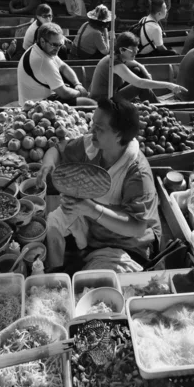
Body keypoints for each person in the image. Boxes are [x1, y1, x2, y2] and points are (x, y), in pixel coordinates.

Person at [37, 97, 162, 271]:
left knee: (97, 281)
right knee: (53, 223)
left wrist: (91, 209)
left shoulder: (137, 174)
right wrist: (48, 163)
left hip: (126, 242)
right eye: (93, 124)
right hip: (92, 223)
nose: (91, 130)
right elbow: (57, 149)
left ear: (119, 135)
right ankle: (56, 271)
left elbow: (137, 228)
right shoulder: (92, 146)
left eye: (99, 128)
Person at [89, 31, 185, 103]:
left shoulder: (118, 56)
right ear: (122, 50)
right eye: (133, 51)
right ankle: (158, 105)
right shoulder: (115, 63)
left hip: (111, 95)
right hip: (103, 102)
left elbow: (136, 63)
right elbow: (139, 82)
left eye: (137, 49)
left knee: (137, 70)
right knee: (140, 86)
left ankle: (151, 101)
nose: (136, 53)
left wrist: (146, 73)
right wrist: (169, 85)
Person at [17, 22, 95, 107]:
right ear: (42, 41)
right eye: (54, 45)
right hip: (37, 105)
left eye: (60, 45)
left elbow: (63, 67)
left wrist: (77, 84)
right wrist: (82, 93)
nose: (57, 49)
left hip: (40, 97)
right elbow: (64, 93)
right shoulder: (44, 61)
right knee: (90, 103)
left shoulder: (40, 49)